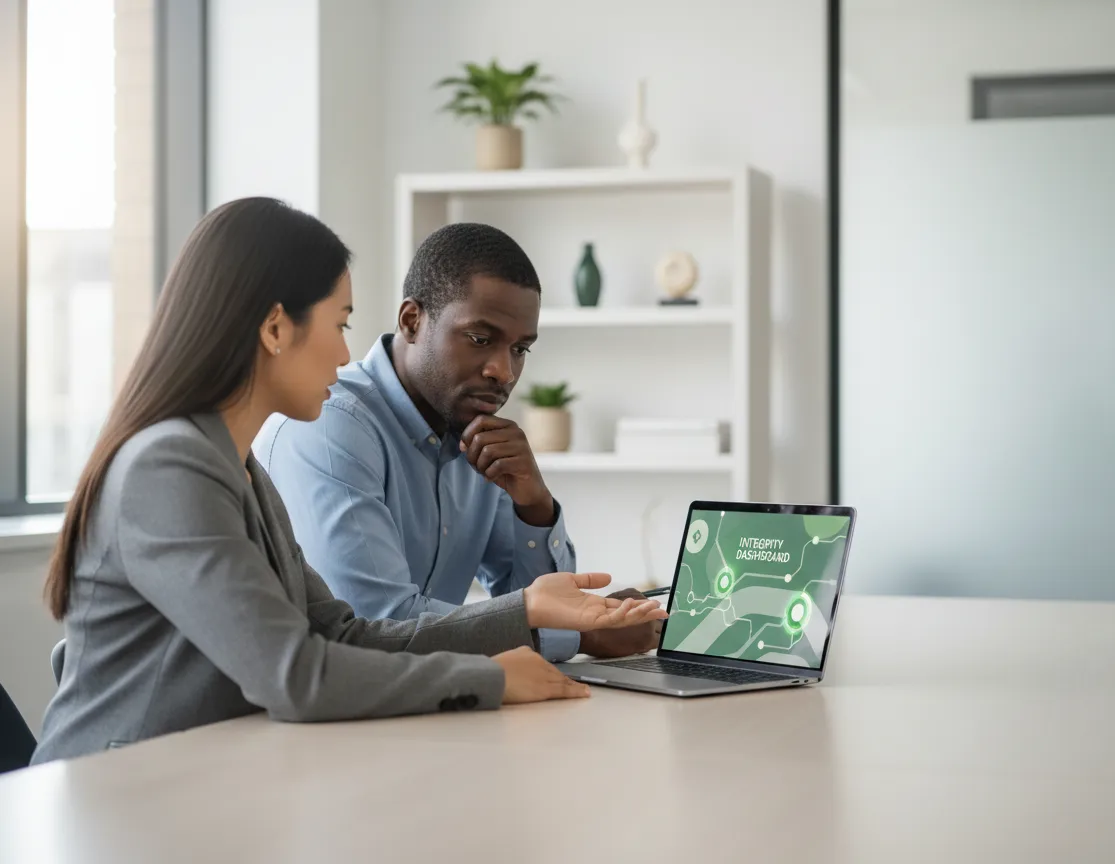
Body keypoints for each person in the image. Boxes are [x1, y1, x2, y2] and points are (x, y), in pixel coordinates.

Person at [32, 199, 665, 765]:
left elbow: (341, 633)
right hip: (119, 794)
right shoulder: (169, 466)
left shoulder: (241, 469)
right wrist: (492, 678)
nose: (345, 354)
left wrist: (528, 607)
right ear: (275, 329)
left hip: (211, 775)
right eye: (338, 325)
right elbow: (295, 673)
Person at [255, 222, 659, 663]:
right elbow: (377, 629)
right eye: (480, 339)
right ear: (412, 321)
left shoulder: (475, 434)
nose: (503, 372)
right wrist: (580, 634)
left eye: (520, 349)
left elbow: (539, 601)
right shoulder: (329, 425)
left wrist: (535, 505)